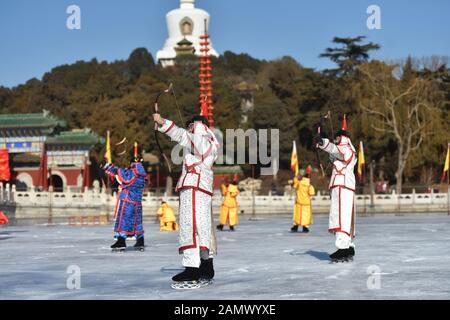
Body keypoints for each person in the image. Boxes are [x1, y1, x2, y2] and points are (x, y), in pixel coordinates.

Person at [153, 113, 219, 283]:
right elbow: (184, 137)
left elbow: (182, 135)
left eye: (191, 125)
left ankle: (192, 268)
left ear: (198, 125)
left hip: (195, 188)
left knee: (191, 226)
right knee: (201, 227)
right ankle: (206, 264)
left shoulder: (203, 139)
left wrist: (163, 123)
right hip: (195, 188)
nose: (189, 127)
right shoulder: (205, 142)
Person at [313, 116, 357, 262]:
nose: (336, 140)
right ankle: (348, 247)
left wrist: (323, 142)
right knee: (345, 217)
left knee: (341, 217)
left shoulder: (345, 148)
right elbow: (333, 151)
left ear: (341, 137)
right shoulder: (344, 149)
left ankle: (342, 248)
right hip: (343, 186)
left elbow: (335, 149)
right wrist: (321, 142)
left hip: (342, 186)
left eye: (337, 138)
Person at [101, 155, 146, 252]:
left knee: (124, 221)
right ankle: (140, 241)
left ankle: (121, 241)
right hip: (137, 202)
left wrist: (108, 166)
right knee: (137, 222)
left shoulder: (133, 173)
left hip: (128, 201)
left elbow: (122, 174)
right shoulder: (142, 174)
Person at [291, 166, 315, 233]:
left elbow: (294, 186)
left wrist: (296, 178)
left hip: (299, 201)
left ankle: (295, 226)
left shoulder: (299, 182)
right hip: (306, 203)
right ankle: (305, 227)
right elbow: (311, 193)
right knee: (306, 216)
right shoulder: (309, 185)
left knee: (297, 215)